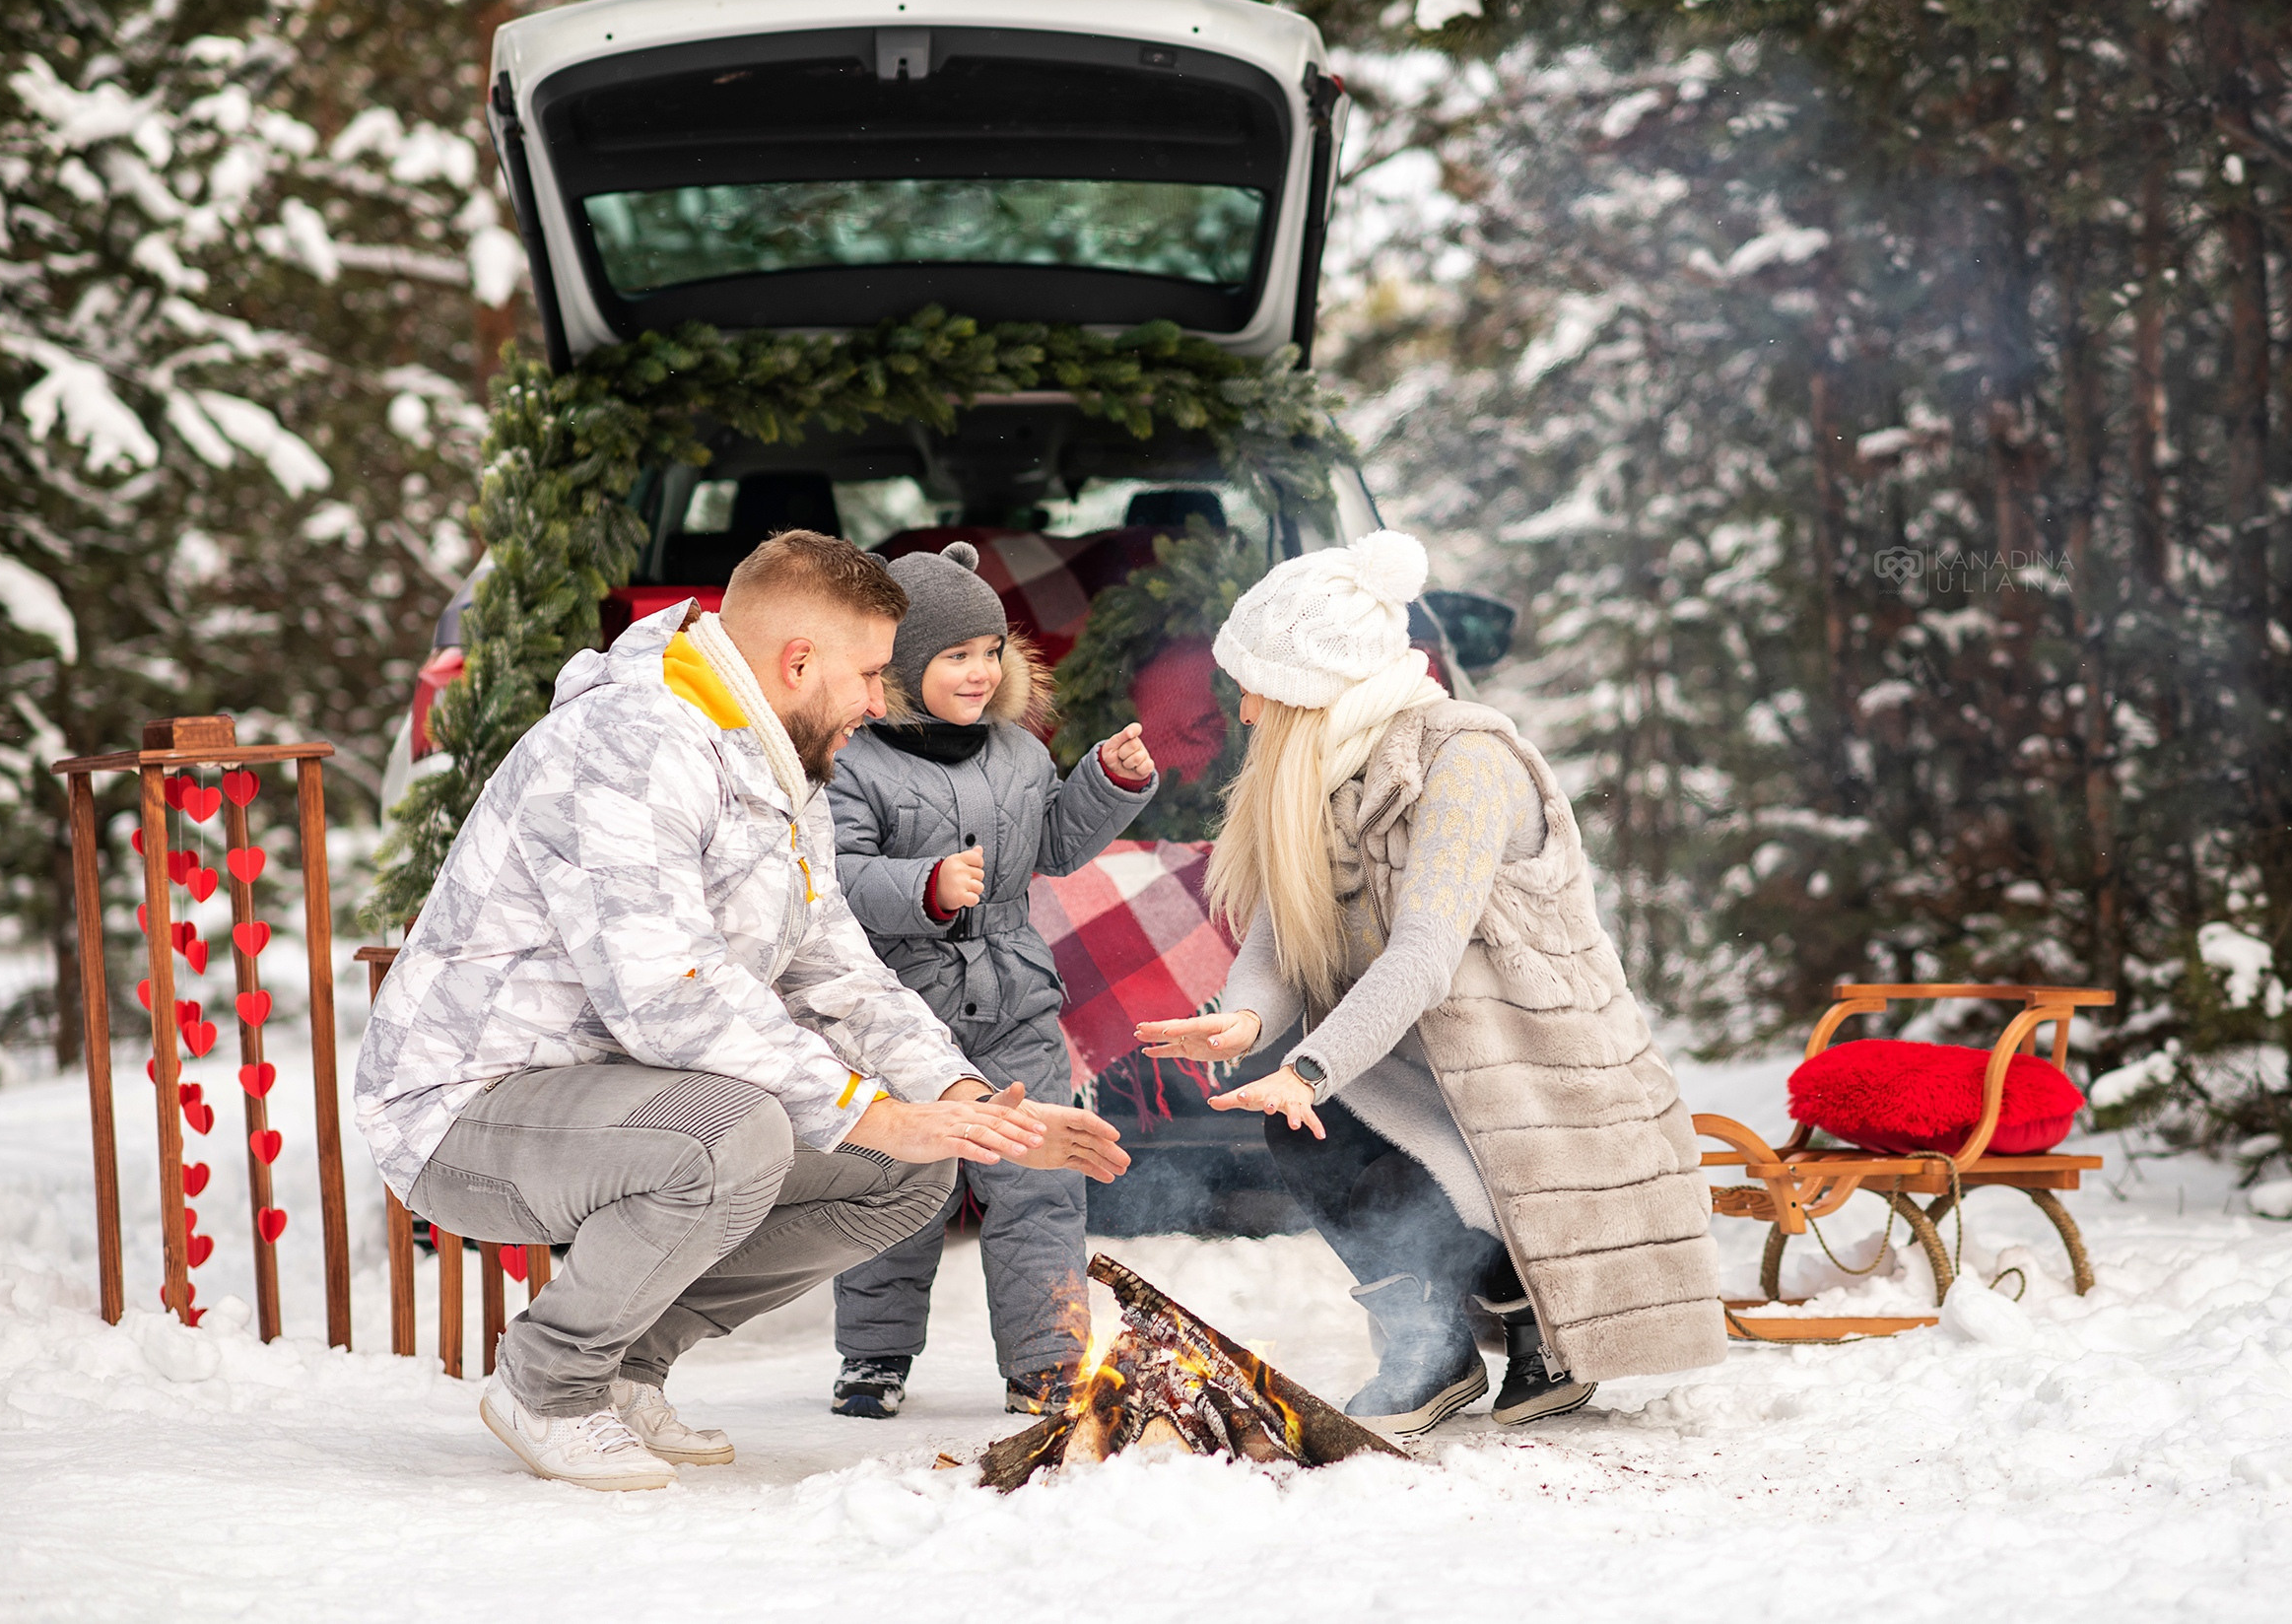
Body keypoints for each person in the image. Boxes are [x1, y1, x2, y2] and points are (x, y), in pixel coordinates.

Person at [357, 531, 1130, 1491]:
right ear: (796, 662)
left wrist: (970, 1105)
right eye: (866, 674)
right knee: (740, 1133)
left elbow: (835, 973)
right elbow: (667, 996)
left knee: (908, 1170)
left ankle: (625, 1366)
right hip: (465, 1110)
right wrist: (869, 1104)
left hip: (621, 1104)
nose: (876, 701)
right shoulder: (628, 748)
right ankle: (548, 1383)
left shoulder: (776, 760)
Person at [1135, 529, 1724, 1436]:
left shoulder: (1466, 763)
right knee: (1303, 1127)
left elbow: (1423, 953)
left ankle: (1533, 1318)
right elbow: (1275, 940)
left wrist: (1311, 1065)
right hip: (1414, 1058)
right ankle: (1432, 1350)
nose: (1244, 712)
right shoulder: (1330, 779)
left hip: (1531, 1078)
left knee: (1377, 1156)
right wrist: (1249, 1025)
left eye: (1259, 687)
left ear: (1317, 687)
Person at [825, 542, 1158, 1419]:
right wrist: (924, 887)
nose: (981, 672)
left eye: (991, 650)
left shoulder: (1016, 750)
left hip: (1014, 998)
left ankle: (1048, 1357)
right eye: (955, 655)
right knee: (896, 1183)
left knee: (1041, 1182)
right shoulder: (854, 760)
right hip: (902, 1004)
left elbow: (1049, 843)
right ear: (898, 664)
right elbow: (834, 873)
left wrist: (1106, 784)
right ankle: (873, 1352)